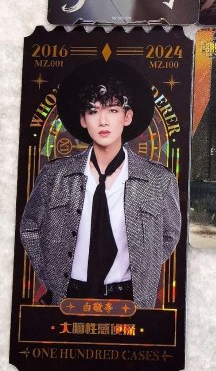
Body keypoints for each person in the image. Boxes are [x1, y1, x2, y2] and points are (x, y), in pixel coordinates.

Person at [19, 59, 181, 308]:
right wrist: (50, 274)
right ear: (83, 119)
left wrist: (143, 266)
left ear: (127, 116)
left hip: (130, 299)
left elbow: (170, 233)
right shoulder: (55, 176)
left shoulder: (158, 180)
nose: (103, 121)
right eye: (93, 111)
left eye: (112, 110)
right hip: (68, 296)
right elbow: (29, 227)